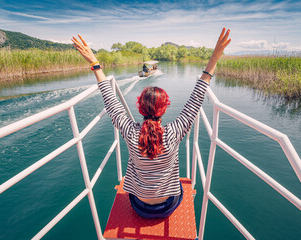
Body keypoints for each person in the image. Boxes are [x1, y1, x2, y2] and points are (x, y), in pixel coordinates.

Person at [71, 28, 231, 218]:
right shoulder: (174, 132)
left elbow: (110, 100)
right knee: (178, 183)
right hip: (167, 206)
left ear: (140, 108)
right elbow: (197, 96)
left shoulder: (130, 132)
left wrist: (95, 64)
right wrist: (214, 58)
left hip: (139, 206)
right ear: (164, 109)